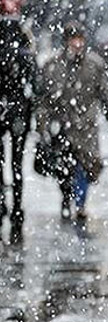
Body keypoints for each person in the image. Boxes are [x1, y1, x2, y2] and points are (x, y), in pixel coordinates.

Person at [39, 21, 108, 222]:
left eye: (80, 39)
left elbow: (103, 90)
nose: (77, 44)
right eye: (73, 39)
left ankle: (80, 204)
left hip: (86, 125)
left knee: (87, 165)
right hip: (62, 125)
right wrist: (43, 125)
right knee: (65, 167)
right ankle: (66, 199)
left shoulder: (94, 64)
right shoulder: (53, 66)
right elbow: (45, 99)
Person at [0, 2, 36, 242]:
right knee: (16, 164)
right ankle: (16, 208)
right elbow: (33, 79)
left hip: (8, 108)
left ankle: (6, 203)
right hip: (18, 110)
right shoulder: (23, 36)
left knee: (6, 162)